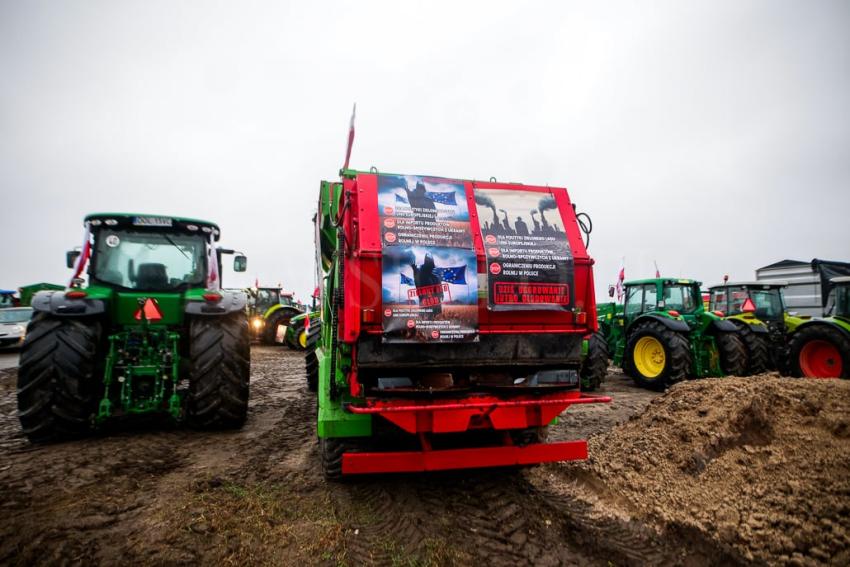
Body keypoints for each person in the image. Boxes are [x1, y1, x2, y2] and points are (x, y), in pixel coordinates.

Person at [411, 253, 444, 318]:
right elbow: (418, 280)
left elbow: (439, 282)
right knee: (425, 314)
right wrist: (414, 269)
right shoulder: (422, 270)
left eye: (429, 259)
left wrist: (441, 293)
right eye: (427, 259)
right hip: (425, 296)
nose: (428, 261)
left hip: (435, 297)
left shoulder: (435, 271)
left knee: (434, 315)